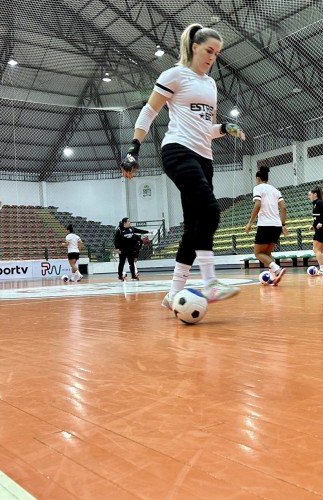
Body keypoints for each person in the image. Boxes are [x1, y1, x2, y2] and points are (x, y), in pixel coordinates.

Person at [120, 23, 246, 308]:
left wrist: (225, 127)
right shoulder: (175, 75)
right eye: (208, 50)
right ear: (194, 47)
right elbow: (149, 111)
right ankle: (210, 283)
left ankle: (171, 294)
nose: (213, 57)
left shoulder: (210, 84)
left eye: (217, 53)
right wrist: (133, 148)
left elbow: (204, 129)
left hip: (205, 158)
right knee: (212, 211)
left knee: (194, 227)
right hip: (178, 152)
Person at [244, 166, 288, 285]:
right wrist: (283, 224)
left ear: (258, 178)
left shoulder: (258, 188)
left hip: (265, 225)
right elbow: (283, 207)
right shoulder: (275, 190)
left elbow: (257, 204)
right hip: (277, 225)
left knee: (258, 253)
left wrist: (250, 223)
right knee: (267, 254)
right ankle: (273, 278)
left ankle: (277, 270)